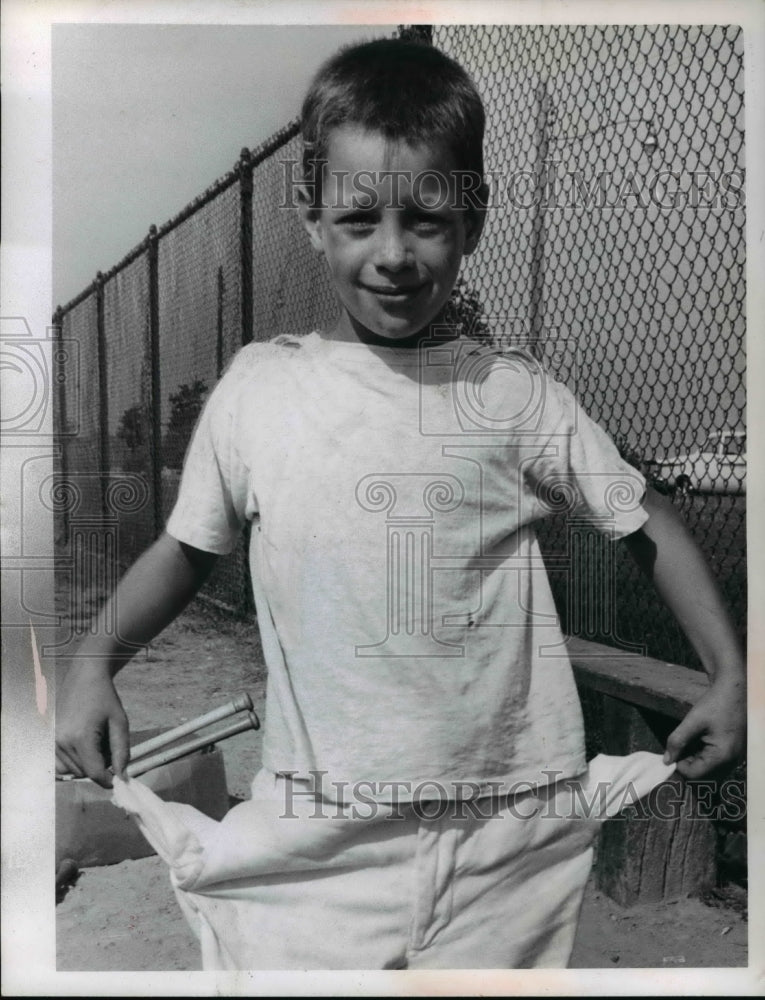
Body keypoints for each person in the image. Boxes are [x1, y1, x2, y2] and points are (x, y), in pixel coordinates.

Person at [56, 38, 745, 969]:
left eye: (425, 220)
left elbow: (646, 521)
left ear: (472, 219)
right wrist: (97, 659)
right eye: (357, 218)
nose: (392, 254)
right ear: (309, 214)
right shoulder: (260, 392)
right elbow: (187, 551)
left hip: (509, 824)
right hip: (320, 826)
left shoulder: (514, 394)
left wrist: (727, 673)